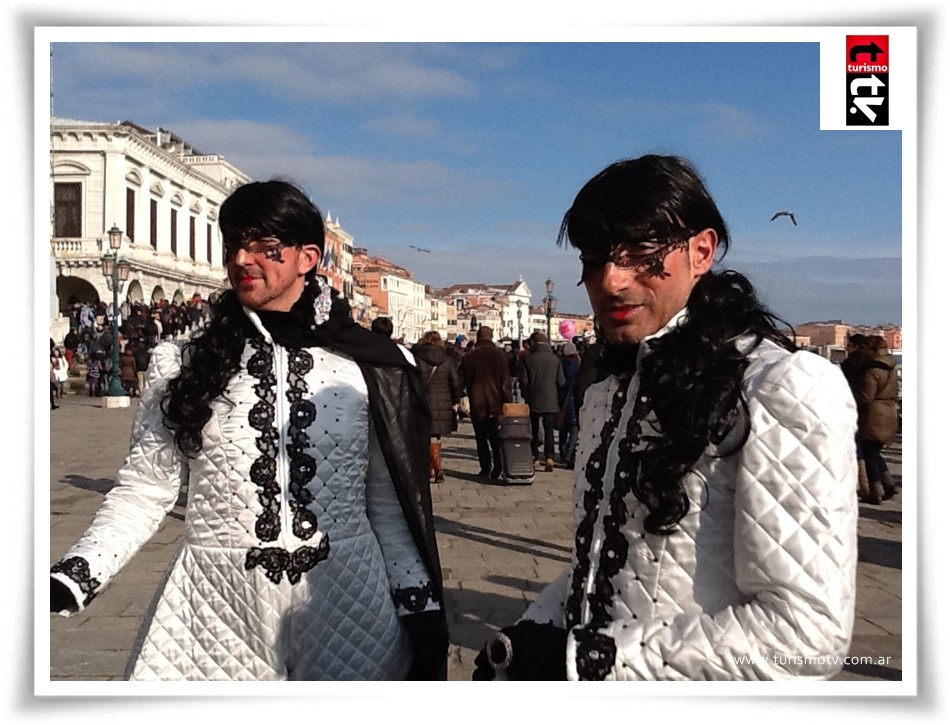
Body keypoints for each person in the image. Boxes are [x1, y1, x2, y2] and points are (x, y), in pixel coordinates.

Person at [474, 154, 858, 681]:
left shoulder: (781, 387)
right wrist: (530, 629)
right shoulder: (607, 394)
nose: (611, 280)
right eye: (596, 257)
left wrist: (586, 662)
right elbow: (607, 558)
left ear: (701, 252)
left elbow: (805, 636)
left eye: (641, 252)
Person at [50, 179, 447, 681]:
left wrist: (420, 604)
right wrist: (82, 570)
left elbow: (387, 508)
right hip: (214, 604)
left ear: (307, 257)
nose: (242, 259)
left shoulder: (366, 365)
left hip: (347, 598)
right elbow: (146, 486)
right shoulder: (185, 362)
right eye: (235, 244)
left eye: (264, 248)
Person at [460, 325, 513, 479]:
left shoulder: (469, 356)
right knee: (496, 436)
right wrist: (508, 402)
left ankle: (485, 467)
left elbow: (462, 380)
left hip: (477, 402)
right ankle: (498, 465)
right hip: (496, 402)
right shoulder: (499, 355)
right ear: (491, 336)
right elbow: (505, 382)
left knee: (481, 438)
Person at [412, 330, 462, 484]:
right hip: (443, 402)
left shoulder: (417, 359)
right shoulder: (447, 360)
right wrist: (455, 401)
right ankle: (435, 467)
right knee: (436, 436)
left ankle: (434, 467)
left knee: (425, 436)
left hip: (422, 402)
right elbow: (455, 382)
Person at [855, 335, 900, 504]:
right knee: (874, 451)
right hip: (888, 412)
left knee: (869, 453)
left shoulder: (871, 369)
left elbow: (866, 395)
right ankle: (888, 484)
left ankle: (876, 490)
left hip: (873, 415)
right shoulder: (891, 368)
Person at [519, 332, 565, 472]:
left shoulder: (528, 359)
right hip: (550, 400)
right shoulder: (555, 359)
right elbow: (561, 381)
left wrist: (526, 395)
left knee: (534, 429)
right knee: (549, 430)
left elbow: (524, 381)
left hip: (533, 399)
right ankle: (549, 456)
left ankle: (535, 457)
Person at [556, 341, 581, 469]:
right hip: (572, 399)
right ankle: (569, 454)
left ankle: (563, 452)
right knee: (574, 429)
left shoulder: (559, 364)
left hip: (561, 399)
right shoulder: (577, 367)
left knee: (563, 429)